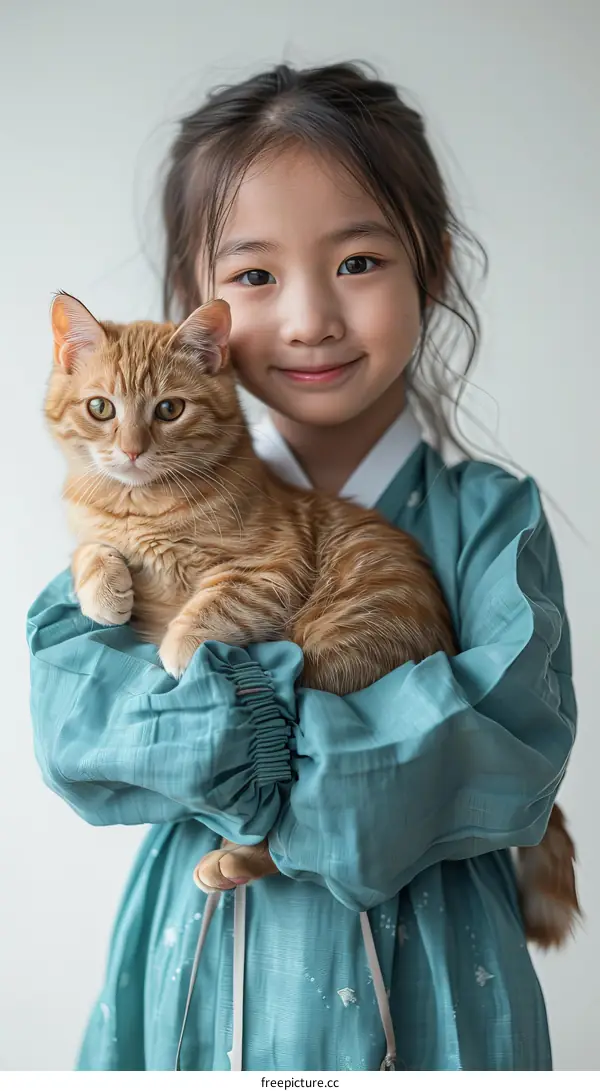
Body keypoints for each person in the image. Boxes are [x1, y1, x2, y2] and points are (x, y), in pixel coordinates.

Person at [27, 62, 576, 1071]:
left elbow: (512, 731)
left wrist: (236, 737)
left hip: (436, 955)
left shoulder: (489, 514)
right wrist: (340, 734)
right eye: (254, 276)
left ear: (435, 264)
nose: (311, 315)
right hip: (195, 943)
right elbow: (75, 722)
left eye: (359, 261)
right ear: (201, 318)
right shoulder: (137, 504)